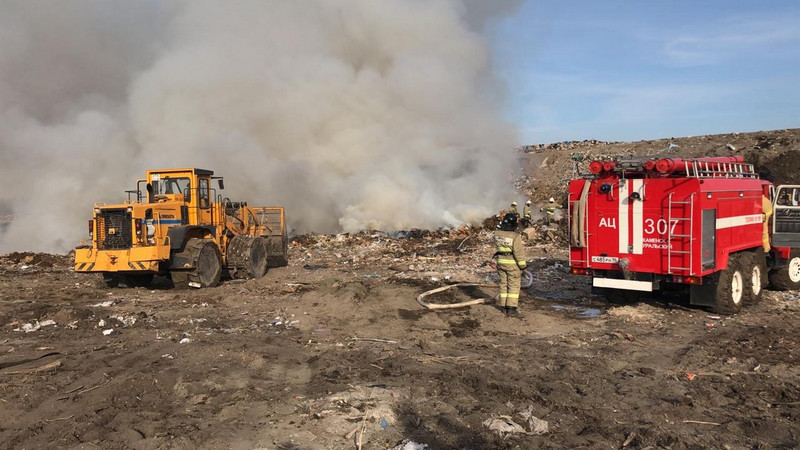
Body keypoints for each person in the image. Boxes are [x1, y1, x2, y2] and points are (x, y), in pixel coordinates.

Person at [493, 213, 527, 317]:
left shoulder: (497, 234)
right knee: (513, 285)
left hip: (500, 263)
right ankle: (511, 309)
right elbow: (518, 253)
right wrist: (523, 266)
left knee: (504, 284)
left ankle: (503, 307)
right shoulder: (515, 236)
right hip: (512, 265)